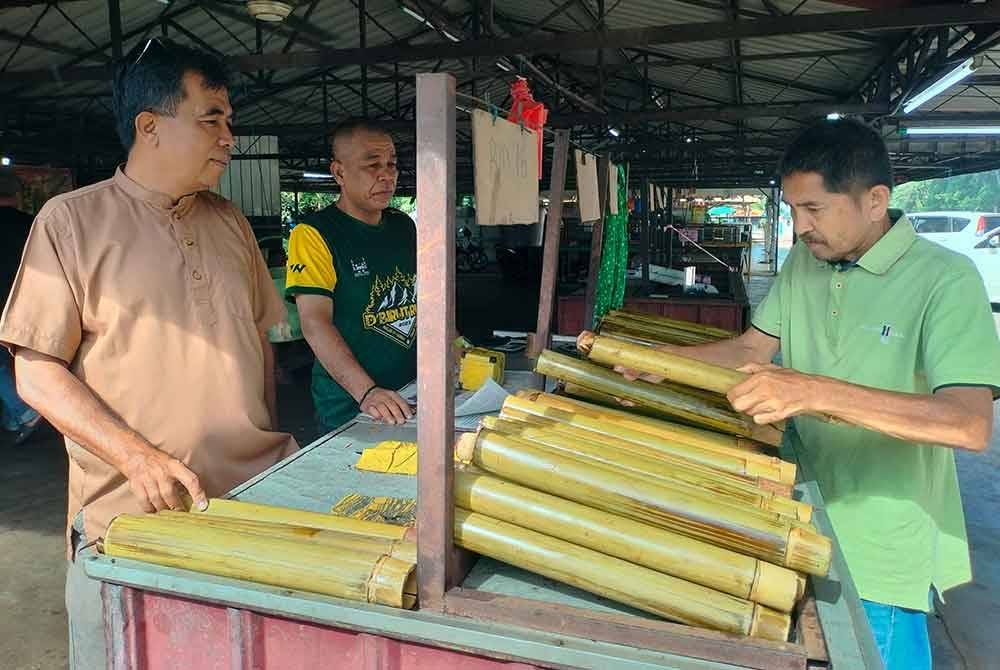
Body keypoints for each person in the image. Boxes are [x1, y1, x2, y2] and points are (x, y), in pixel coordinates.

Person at [622, 119, 999, 670]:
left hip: (880, 546)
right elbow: (751, 349)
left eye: (814, 209)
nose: (799, 227)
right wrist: (663, 364)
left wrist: (814, 391)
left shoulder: (946, 279)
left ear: (875, 201)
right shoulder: (806, 260)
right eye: (793, 209)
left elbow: (968, 423)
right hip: (798, 508)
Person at [0, 39, 297, 669]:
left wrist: (263, 443)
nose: (229, 137)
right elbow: (37, 372)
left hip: (249, 507)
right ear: (149, 126)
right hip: (130, 521)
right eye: (211, 119)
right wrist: (138, 457)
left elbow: (259, 349)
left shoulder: (230, 221)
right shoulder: (69, 222)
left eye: (230, 120)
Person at [285, 119, 417, 432]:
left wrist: (454, 344)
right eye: (372, 165)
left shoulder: (403, 226)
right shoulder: (314, 234)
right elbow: (315, 322)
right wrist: (367, 392)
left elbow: (426, 298)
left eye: (391, 164)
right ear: (339, 173)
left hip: (411, 392)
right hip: (352, 406)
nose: (386, 175)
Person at [0, 168, 41, 443]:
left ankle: (24, 411)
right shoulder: (33, 225)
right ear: (17, 194)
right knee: (19, 359)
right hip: (28, 302)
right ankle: (13, 418)